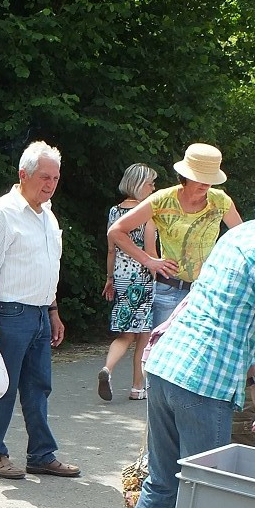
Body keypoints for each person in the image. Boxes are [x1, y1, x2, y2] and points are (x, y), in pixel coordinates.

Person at [120, 163, 255, 508]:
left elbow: (248, 324)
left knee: (162, 483)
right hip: (202, 384)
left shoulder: (239, 238)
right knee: (202, 494)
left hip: (167, 366)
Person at [0, 141, 80, 480]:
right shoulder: (0, 214)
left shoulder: (47, 215)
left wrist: (53, 310)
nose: (50, 184)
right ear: (24, 174)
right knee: (1, 386)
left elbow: (47, 267)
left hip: (38, 313)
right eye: (44, 177)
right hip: (9, 312)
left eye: (56, 178)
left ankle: (41, 454)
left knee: (38, 386)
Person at [107, 142, 241, 328]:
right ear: (185, 175)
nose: (206, 183)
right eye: (200, 177)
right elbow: (116, 231)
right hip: (169, 290)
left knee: (199, 353)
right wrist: (148, 261)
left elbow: (242, 239)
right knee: (161, 352)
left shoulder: (221, 201)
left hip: (207, 291)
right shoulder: (162, 200)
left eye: (210, 178)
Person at [98, 164, 158, 402]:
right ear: (139, 184)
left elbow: (111, 249)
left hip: (121, 278)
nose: (154, 188)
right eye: (151, 183)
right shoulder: (146, 213)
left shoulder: (114, 212)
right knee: (143, 335)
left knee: (125, 333)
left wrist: (109, 278)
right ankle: (136, 388)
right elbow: (151, 252)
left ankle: (107, 369)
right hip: (142, 279)